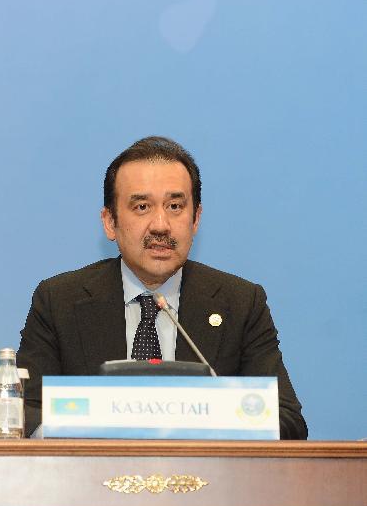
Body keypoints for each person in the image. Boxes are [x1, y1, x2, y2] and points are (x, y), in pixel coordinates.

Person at [17, 136, 307, 440]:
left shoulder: (241, 303)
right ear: (109, 222)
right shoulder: (59, 300)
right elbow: (23, 413)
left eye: (175, 206)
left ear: (195, 219)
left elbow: (286, 419)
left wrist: (217, 420)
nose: (160, 225)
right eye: (142, 206)